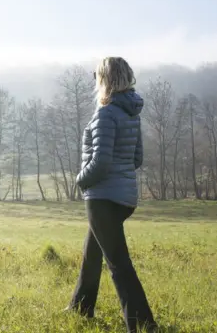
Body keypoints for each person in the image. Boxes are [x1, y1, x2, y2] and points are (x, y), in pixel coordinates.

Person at [65, 57, 157, 333]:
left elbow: (101, 162)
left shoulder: (105, 114)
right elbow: (137, 158)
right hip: (124, 197)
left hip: (102, 197)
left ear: (106, 80)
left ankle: (143, 324)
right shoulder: (131, 113)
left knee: (118, 264)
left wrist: (81, 180)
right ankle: (80, 307)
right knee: (92, 253)